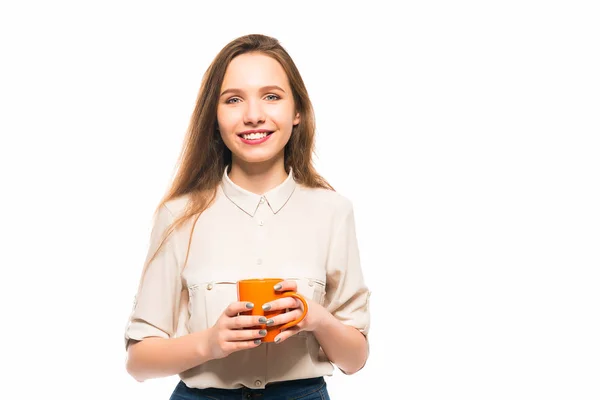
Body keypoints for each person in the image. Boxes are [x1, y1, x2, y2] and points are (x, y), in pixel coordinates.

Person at [124, 33, 371, 399]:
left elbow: (355, 359)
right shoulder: (178, 215)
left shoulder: (333, 211)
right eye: (234, 100)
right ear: (215, 116)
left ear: (297, 111)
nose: (254, 115)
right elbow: (138, 361)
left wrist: (314, 318)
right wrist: (210, 343)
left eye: (271, 96)